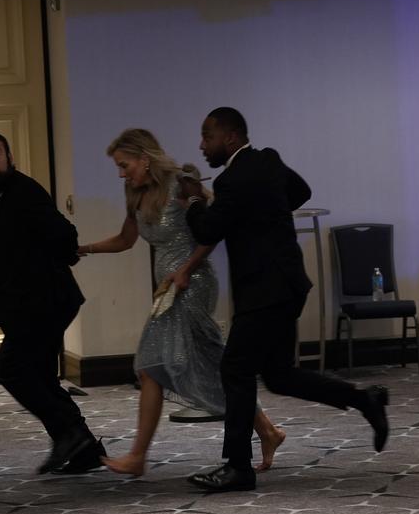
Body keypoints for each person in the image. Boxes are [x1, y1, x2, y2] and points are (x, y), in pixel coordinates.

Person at [179, 107, 389, 492]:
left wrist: (193, 201)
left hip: (264, 288)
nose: (202, 145)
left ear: (230, 137)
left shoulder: (232, 181)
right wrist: (264, 213)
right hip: (287, 283)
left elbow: (208, 228)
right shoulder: (268, 161)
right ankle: (364, 399)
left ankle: (237, 467)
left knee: (235, 368)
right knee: (279, 375)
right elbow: (301, 192)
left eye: (207, 136)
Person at [79, 128, 285, 478]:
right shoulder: (134, 191)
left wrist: (186, 269)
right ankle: (266, 429)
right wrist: (86, 249)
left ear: (145, 159)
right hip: (168, 291)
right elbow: (127, 239)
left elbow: (211, 229)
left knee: (151, 365)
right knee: (210, 363)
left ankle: (137, 457)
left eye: (124, 164)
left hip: (193, 284)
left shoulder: (183, 183)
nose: (121, 173)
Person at [0, 131, 106, 474]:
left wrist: (45, 268)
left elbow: (65, 236)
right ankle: (84, 447)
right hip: (19, 305)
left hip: (44, 301)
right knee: (41, 376)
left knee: (11, 369)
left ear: (10, 157)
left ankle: (71, 435)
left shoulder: (24, 191)